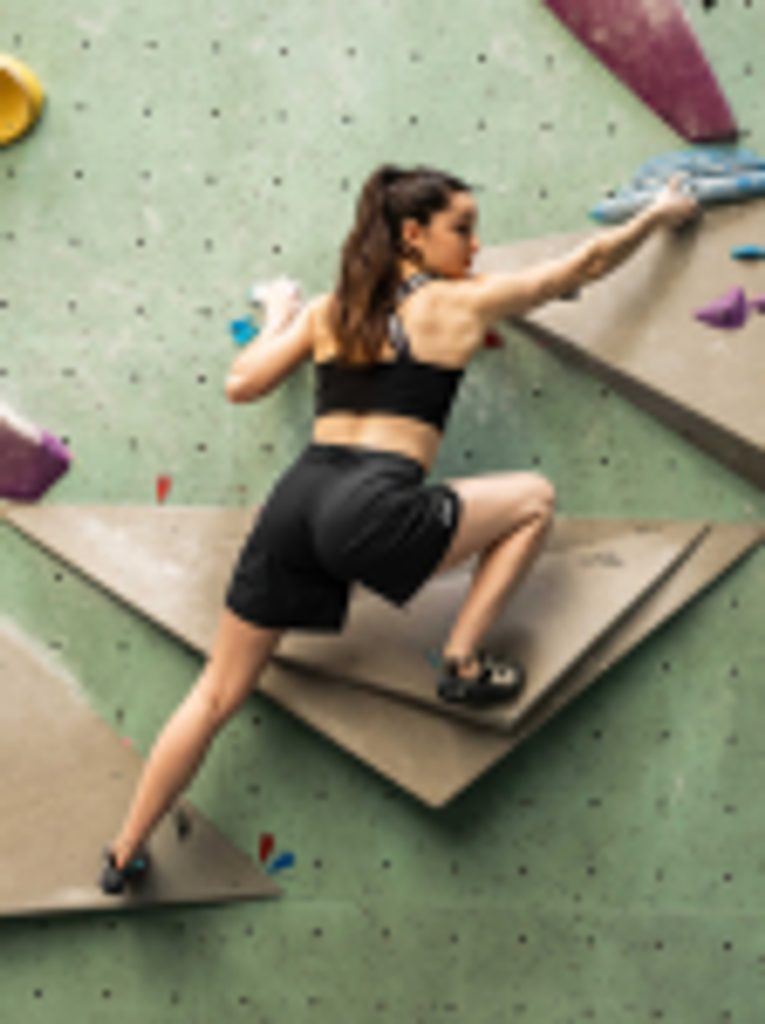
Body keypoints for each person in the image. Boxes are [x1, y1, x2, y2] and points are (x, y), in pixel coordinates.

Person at [100, 165, 698, 892]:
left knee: (215, 694)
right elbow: (585, 265)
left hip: (296, 502)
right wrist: (657, 215)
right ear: (413, 234)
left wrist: (283, 313)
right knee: (534, 499)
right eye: (462, 228)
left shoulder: (331, 310)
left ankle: (123, 851)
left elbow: (241, 383)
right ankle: (462, 663)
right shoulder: (458, 302)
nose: (475, 245)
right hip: (371, 502)